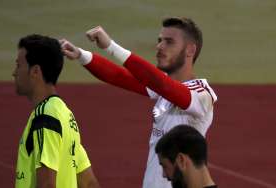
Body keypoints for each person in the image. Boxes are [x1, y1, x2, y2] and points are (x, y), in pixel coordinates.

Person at [61, 17, 217, 188]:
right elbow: (120, 77)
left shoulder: (201, 94)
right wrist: (82, 55)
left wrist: (111, 47)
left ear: (190, 50)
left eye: (169, 42)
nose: (159, 46)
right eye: (159, 41)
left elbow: (162, 84)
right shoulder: (163, 88)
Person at [13, 34, 100, 188]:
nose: (14, 72)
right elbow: (89, 183)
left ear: (35, 71)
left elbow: (47, 184)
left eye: (19, 65)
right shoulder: (65, 115)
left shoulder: (45, 117)